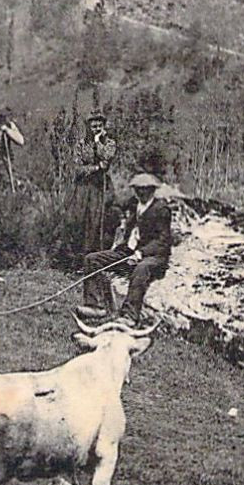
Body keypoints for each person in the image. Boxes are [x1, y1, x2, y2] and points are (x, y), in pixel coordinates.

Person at [79, 173, 172, 325]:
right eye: (137, 189)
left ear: (152, 190)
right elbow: (118, 209)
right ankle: (95, 305)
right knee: (92, 259)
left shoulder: (161, 209)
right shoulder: (135, 205)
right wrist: (121, 245)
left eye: (144, 189)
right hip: (129, 253)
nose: (141, 193)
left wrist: (141, 253)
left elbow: (163, 242)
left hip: (154, 257)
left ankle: (130, 315)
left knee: (141, 269)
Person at [72, 112, 118, 252]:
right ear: (88, 127)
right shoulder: (81, 144)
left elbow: (107, 158)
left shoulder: (110, 143)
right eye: (93, 126)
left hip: (101, 186)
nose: (96, 129)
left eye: (99, 126)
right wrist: (96, 167)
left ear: (104, 127)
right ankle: (77, 254)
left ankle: (96, 253)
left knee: (98, 220)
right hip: (83, 186)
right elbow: (77, 168)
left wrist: (98, 142)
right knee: (80, 219)